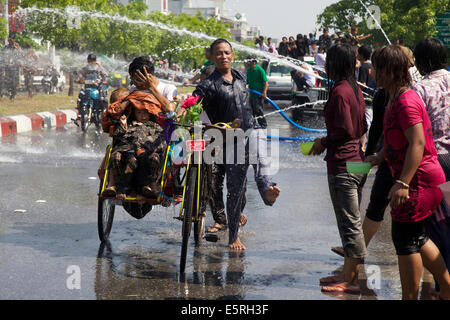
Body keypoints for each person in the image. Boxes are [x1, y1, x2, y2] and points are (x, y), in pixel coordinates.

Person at [367, 45, 450, 300]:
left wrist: (402, 182)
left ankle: (410, 296)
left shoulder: (405, 101)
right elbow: (398, 140)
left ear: (393, 71)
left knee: (404, 238)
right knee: (418, 237)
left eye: (378, 68)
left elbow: (418, 143)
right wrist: (378, 157)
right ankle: (447, 289)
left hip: (418, 181)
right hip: (420, 178)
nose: (373, 73)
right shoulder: (394, 97)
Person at [192, 38, 281, 250]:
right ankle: (234, 237)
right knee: (235, 189)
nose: (223, 56)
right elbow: (191, 105)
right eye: (219, 53)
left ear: (233, 55)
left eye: (227, 53)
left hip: (249, 132)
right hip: (226, 140)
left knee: (259, 155)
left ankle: (267, 189)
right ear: (212, 57)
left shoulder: (240, 77)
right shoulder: (208, 84)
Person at [310, 43, 368, 294]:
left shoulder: (341, 92)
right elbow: (362, 126)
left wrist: (322, 142)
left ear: (335, 64)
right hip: (358, 161)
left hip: (343, 163)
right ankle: (347, 273)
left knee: (349, 223)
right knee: (351, 221)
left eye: (328, 62)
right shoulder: (354, 89)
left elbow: (343, 129)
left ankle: (351, 280)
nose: (325, 67)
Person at [101, 57, 175, 200]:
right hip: (133, 133)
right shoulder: (134, 90)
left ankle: (151, 184)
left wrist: (151, 88)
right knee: (119, 151)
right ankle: (115, 184)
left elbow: (170, 111)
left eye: (139, 78)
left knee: (150, 154)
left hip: (157, 133)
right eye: (133, 79)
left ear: (149, 76)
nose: (135, 83)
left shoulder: (168, 88)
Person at [413, 38, 450, 282]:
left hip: (436, 159)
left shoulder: (421, 88)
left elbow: (416, 133)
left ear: (423, 61)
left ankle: (442, 282)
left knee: (437, 224)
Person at [246, 56, 268, 129]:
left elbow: (266, 82)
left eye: (248, 61)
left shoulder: (260, 70)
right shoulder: (249, 70)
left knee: (258, 109)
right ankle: (252, 124)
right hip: (251, 94)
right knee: (250, 109)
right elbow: (247, 81)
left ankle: (263, 125)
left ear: (253, 62)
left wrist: (264, 92)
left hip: (259, 94)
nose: (247, 62)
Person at [2, 35, 21, 101]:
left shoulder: (17, 48)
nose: (9, 41)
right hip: (7, 67)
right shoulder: (6, 47)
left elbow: (20, 57)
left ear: (14, 40)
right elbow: (3, 56)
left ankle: (13, 95)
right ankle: (9, 93)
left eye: (11, 39)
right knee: (7, 81)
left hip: (14, 68)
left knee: (13, 82)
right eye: (9, 40)